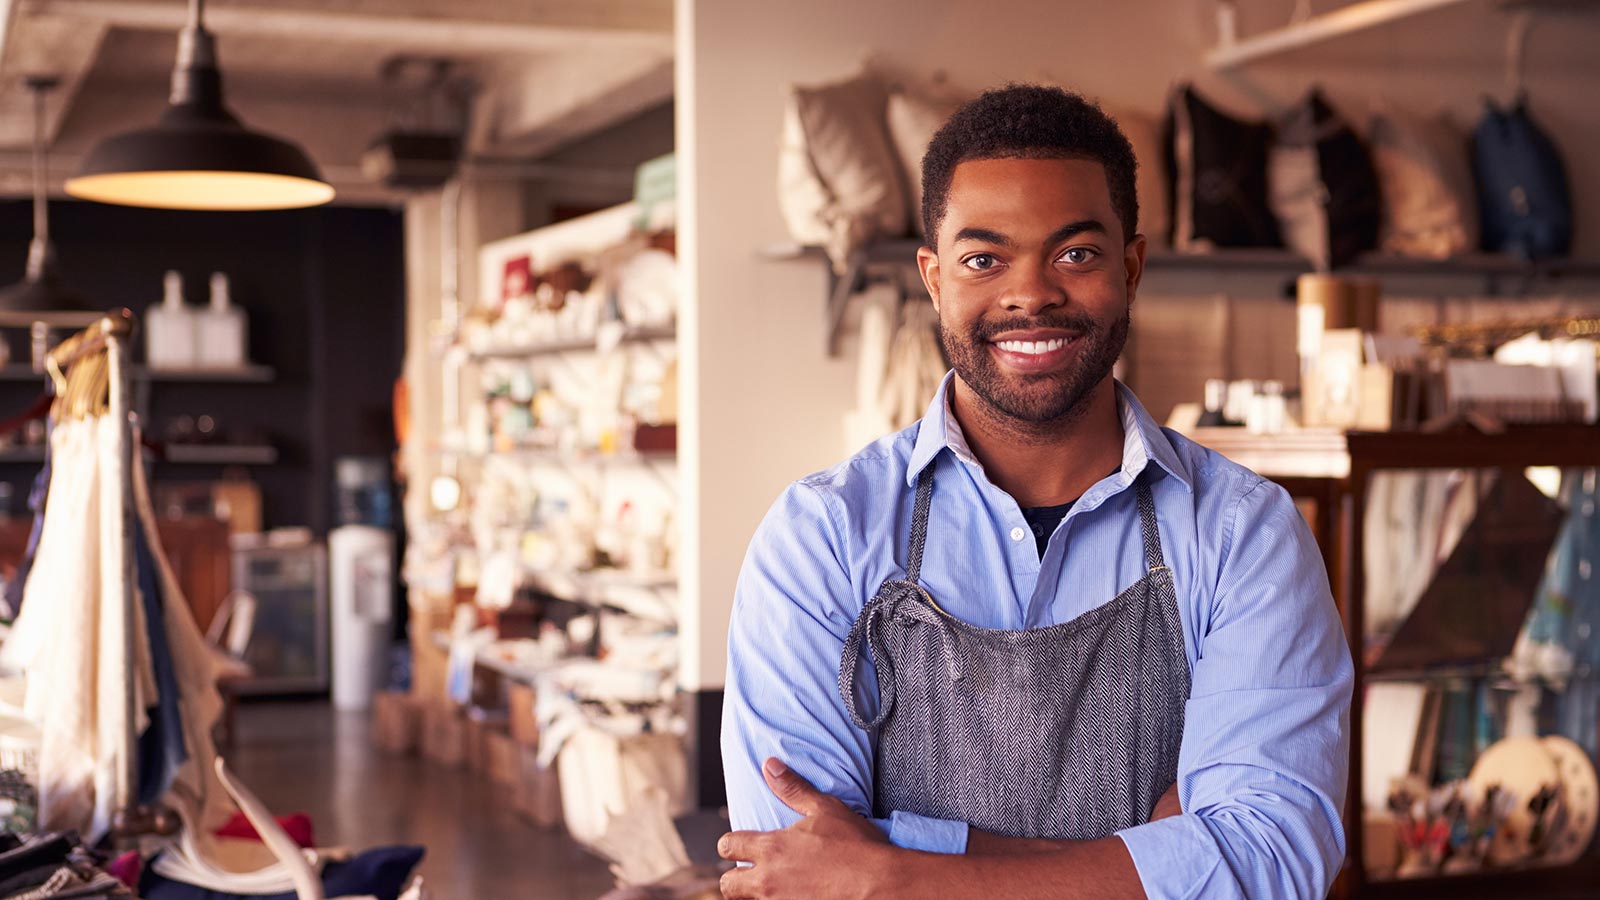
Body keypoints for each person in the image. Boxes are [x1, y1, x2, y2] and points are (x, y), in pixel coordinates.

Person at [717, 84, 1353, 900]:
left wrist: (897, 871)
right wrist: (1165, 851)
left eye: (1076, 254)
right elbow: (792, 868)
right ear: (935, 279)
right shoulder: (822, 535)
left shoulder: (1243, 533)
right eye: (984, 259)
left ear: (1131, 266)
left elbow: (1272, 857)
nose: (1031, 294)